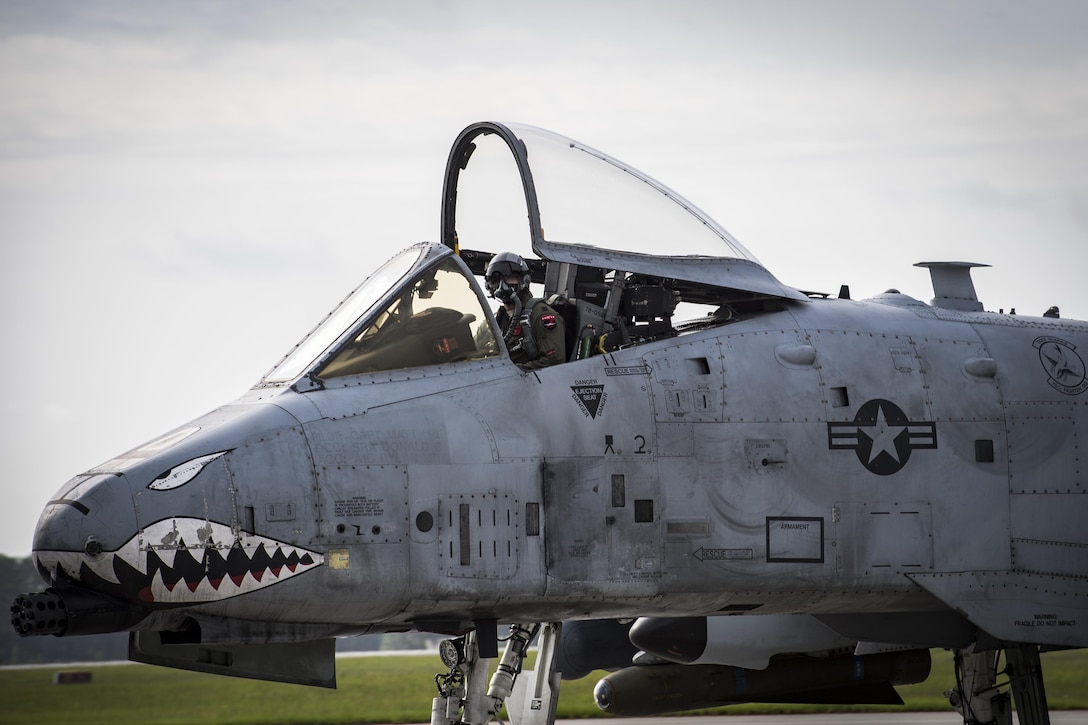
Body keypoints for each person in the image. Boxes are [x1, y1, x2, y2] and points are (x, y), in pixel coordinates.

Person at [484, 252, 566, 369]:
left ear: (524, 281)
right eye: (496, 280)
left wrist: (513, 372)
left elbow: (554, 361)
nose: (502, 285)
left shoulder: (541, 315)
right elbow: (477, 349)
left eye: (509, 278)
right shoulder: (498, 318)